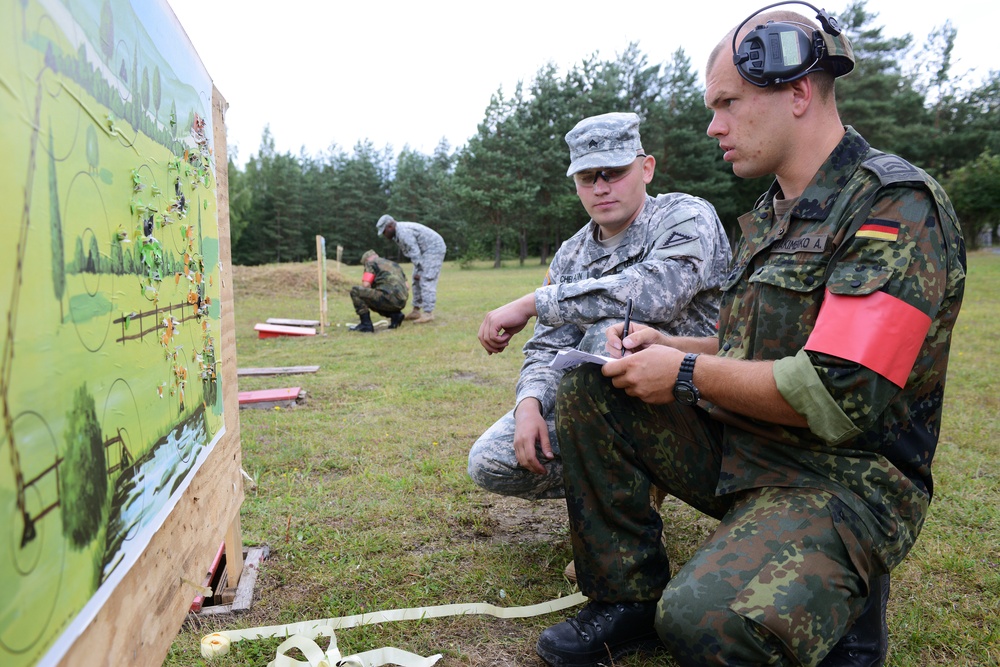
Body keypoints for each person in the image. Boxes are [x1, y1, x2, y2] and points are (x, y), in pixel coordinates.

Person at [535, 6, 967, 667]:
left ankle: (848, 593)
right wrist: (674, 347)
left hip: (845, 480)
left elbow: (833, 392)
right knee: (588, 385)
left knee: (701, 621)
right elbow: (755, 352)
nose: (714, 126)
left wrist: (684, 374)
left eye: (728, 103)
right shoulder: (770, 215)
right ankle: (625, 596)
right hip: (753, 448)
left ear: (797, 92)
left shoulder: (893, 209)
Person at [471, 111, 731, 504]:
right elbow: (547, 347)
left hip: (705, 403)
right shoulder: (571, 254)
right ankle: (633, 486)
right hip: (614, 410)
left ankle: (625, 521)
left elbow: (659, 290)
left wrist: (533, 302)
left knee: (608, 336)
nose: (601, 187)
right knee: (492, 459)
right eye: (588, 177)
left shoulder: (685, 215)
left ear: (646, 169)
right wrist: (530, 405)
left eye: (614, 172)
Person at [376, 214, 446, 323]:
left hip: (433, 249)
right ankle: (416, 311)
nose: (384, 235)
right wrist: (418, 271)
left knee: (426, 279)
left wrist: (419, 270)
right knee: (416, 279)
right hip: (424, 252)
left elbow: (414, 251)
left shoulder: (403, 232)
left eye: (384, 231)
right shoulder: (397, 233)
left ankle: (428, 313)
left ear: (390, 226)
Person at [348, 249, 408, 333]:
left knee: (356, 291)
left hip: (388, 297)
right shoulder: (394, 264)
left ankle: (366, 325)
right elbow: (407, 286)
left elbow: (366, 285)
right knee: (377, 296)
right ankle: (395, 315)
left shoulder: (370, 263)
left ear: (366, 260)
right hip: (401, 301)